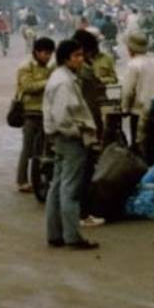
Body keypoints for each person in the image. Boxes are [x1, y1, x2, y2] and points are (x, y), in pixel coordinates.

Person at [43, 39, 100, 250]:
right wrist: (79, 132)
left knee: (58, 185)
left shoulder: (61, 77)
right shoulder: (64, 82)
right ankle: (72, 236)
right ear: (66, 58)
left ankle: (55, 234)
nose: (81, 59)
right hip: (69, 139)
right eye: (76, 56)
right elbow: (62, 118)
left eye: (81, 55)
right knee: (70, 189)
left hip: (60, 138)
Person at [70, 29, 107, 228]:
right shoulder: (83, 71)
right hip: (86, 125)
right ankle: (84, 214)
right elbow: (92, 100)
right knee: (84, 171)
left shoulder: (68, 71)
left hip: (78, 124)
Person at [15, 36, 55, 193]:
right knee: (28, 148)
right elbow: (27, 86)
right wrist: (48, 82)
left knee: (45, 147)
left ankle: (40, 179)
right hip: (30, 111)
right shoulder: (26, 66)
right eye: (45, 53)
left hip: (46, 111)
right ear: (37, 52)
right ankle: (22, 180)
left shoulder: (49, 66)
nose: (48, 57)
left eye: (50, 53)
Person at [120, 32, 154, 163]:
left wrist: (124, 109)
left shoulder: (133, 65)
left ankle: (143, 177)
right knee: (152, 145)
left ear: (130, 48)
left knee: (140, 147)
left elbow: (128, 91)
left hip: (139, 113)